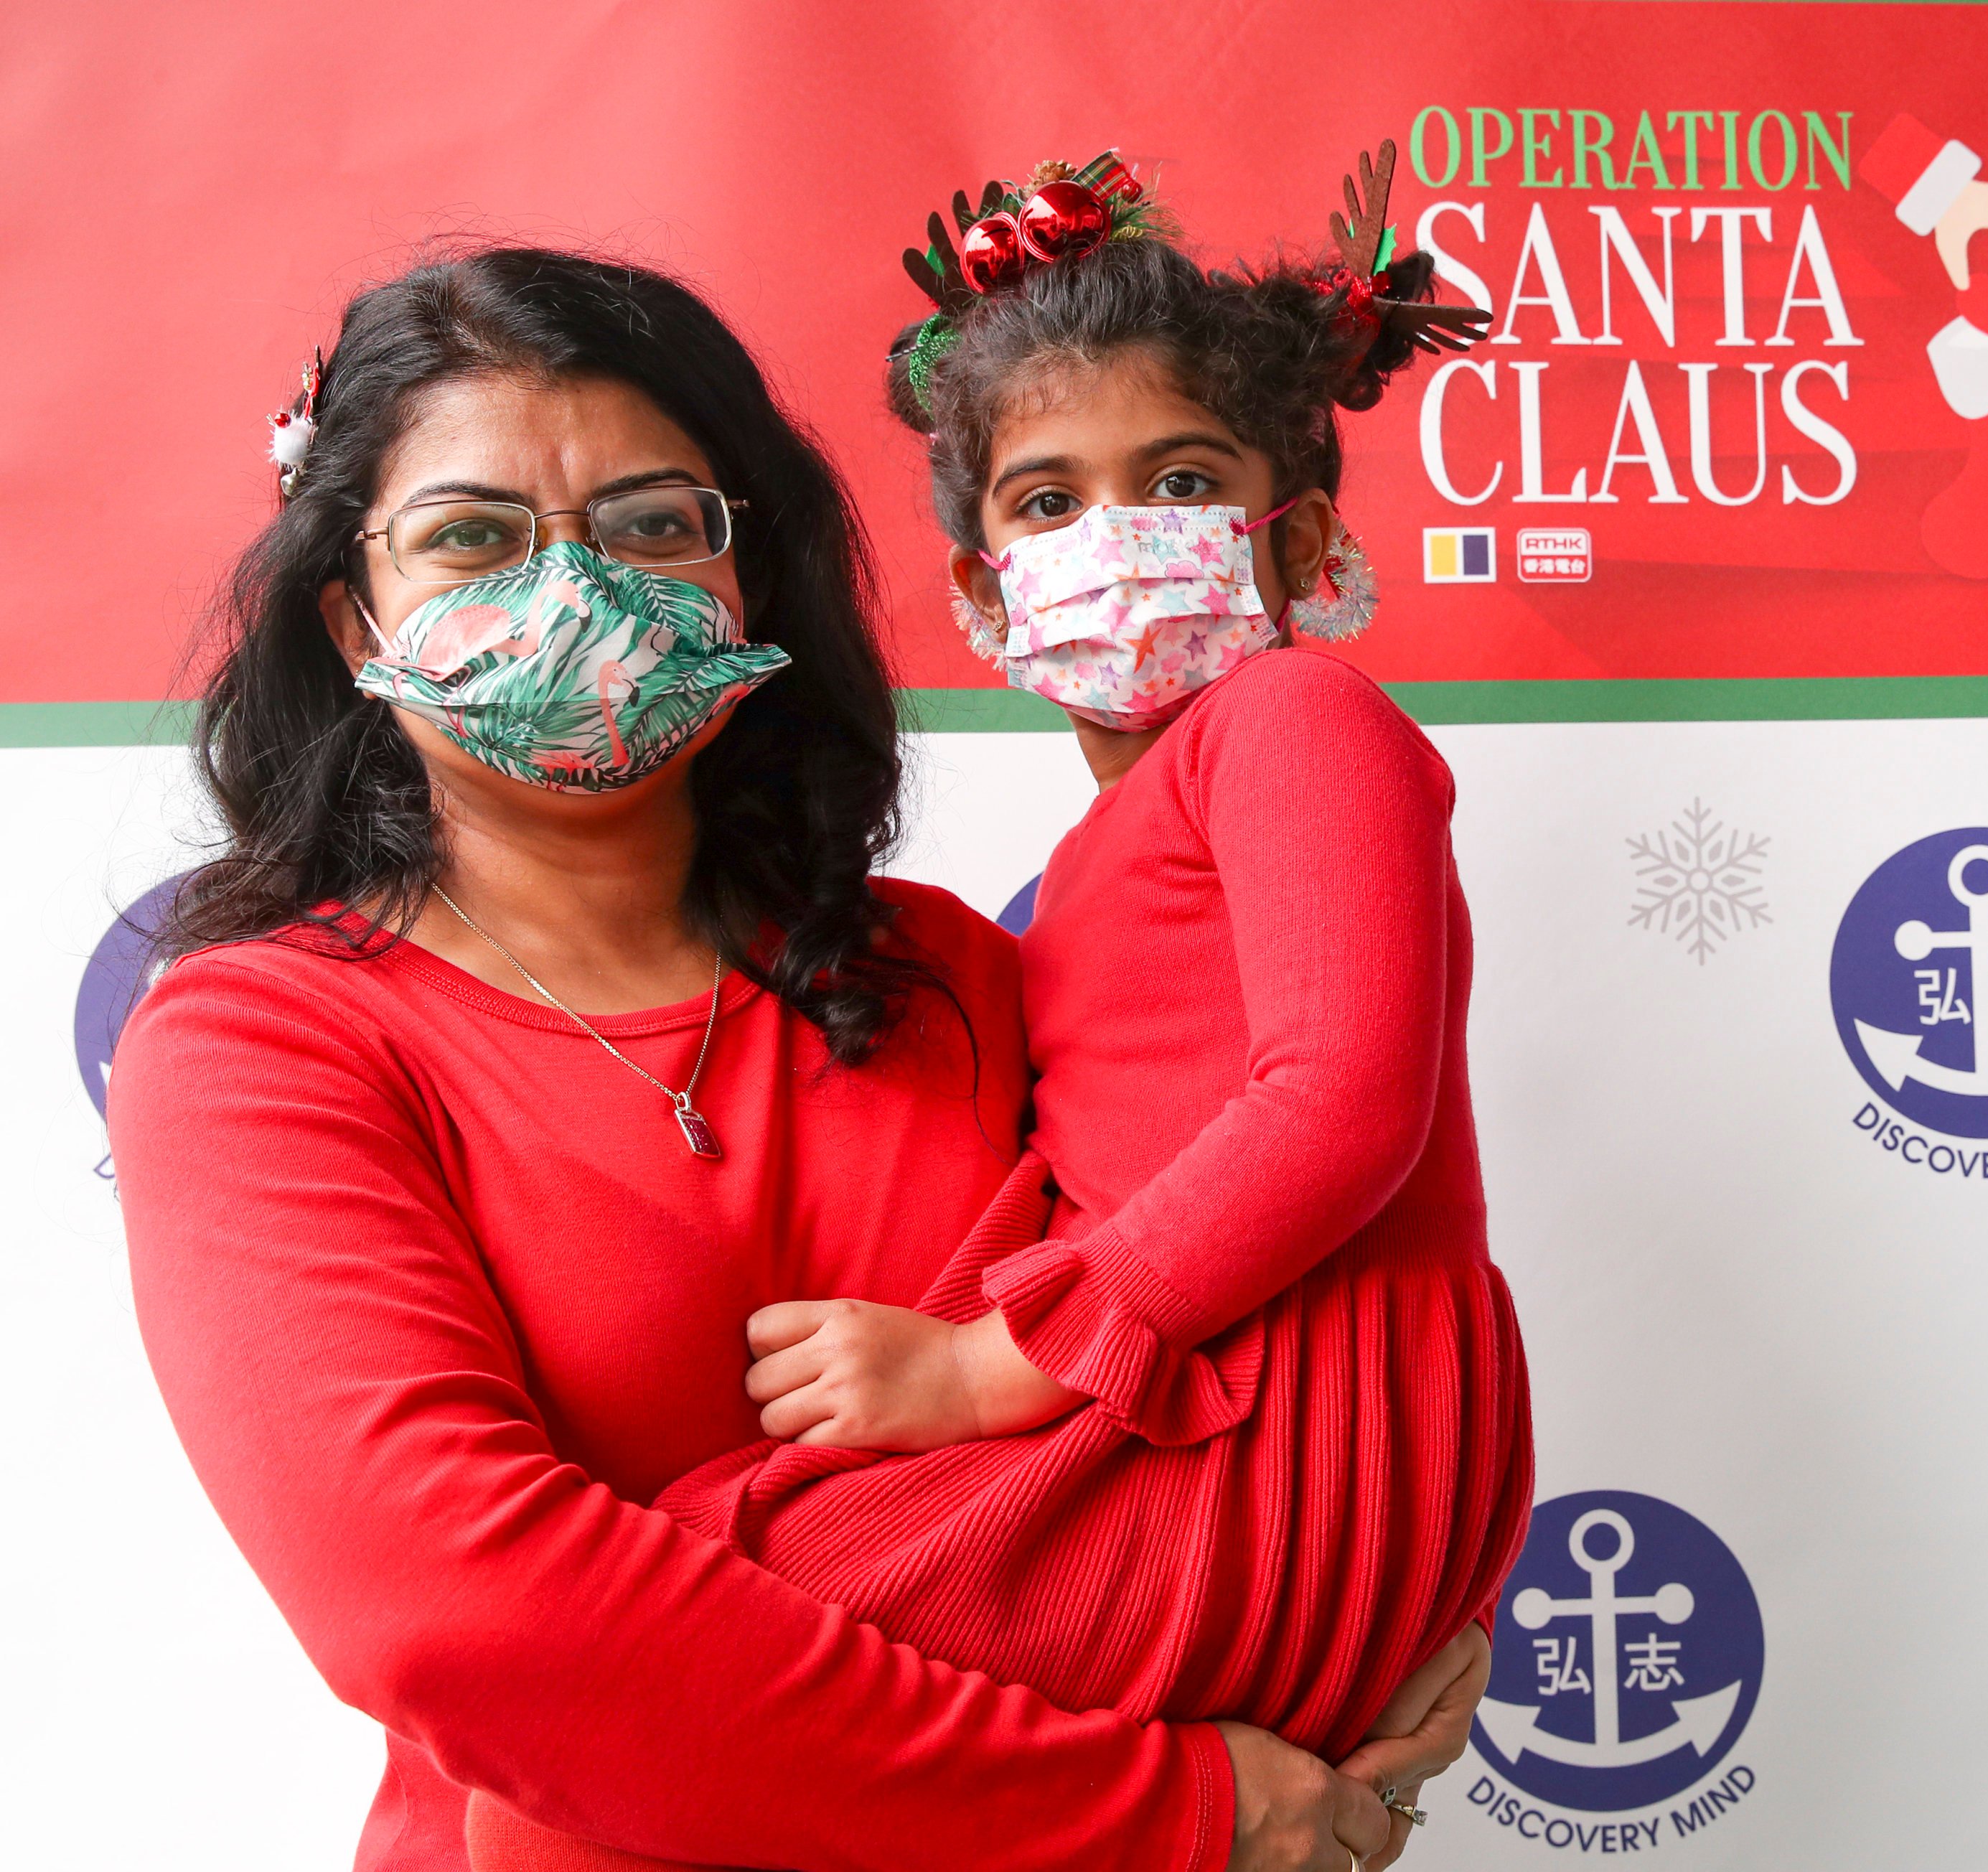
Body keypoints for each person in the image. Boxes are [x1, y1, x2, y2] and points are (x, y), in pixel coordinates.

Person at [111, 246, 1460, 1872]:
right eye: (473, 536)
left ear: (746, 574)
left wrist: (1360, 1601)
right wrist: (1174, 1806)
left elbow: (1228, 1311)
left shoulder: (948, 975)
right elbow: (472, 1620)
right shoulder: (265, 1043)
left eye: (651, 522)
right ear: (351, 611)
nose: (576, 589)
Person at [469, 145, 1535, 1872]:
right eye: (1045, 503)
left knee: (609, 1704)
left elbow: (1340, 1098)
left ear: (1305, 533)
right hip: (1202, 1403)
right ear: (979, 590)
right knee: (645, 1653)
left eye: (1178, 479)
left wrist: (988, 1359)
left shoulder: (1294, 720)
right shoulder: (1102, 851)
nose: (1111, 536)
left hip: (1256, 1425)